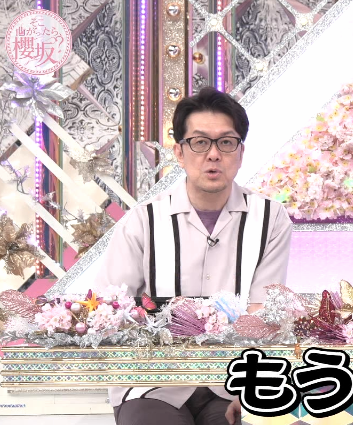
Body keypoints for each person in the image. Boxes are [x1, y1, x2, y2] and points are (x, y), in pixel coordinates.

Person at [97, 87, 293, 425]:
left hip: (234, 382)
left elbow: (264, 309)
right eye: (200, 142)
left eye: (226, 142)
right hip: (153, 382)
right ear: (179, 152)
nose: (213, 154)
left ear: (241, 152)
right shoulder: (143, 220)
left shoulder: (270, 218)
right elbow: (110, 307)